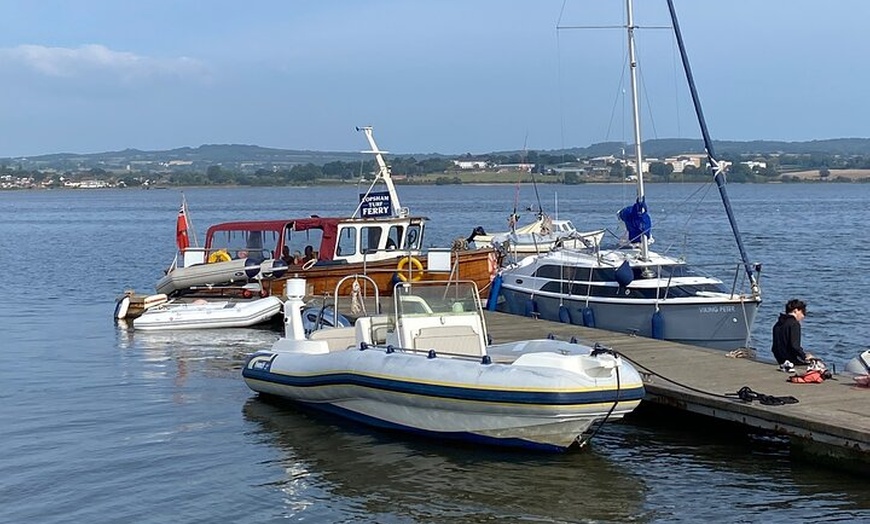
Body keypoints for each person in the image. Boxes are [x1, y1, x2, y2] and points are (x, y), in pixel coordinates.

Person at [771, 299, 814, 372]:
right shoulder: (794, 324)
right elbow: (795, 346)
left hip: (779, 358)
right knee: (815, 363)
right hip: (791, 359)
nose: (803, 316)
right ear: (796, 310)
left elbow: (774, 347)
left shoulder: (777, 324)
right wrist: (805, 356)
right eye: (803, 312)